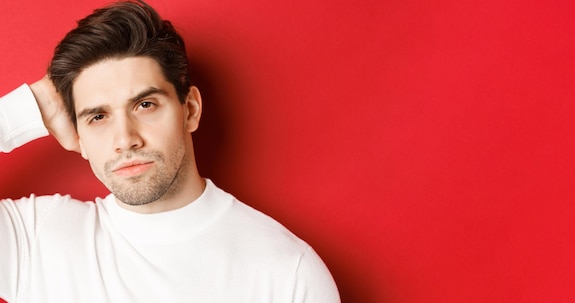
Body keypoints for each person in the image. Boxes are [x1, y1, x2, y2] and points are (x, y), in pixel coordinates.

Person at [0, 1, 340, 302]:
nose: (125, 139)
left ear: (189, 109)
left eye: (145, 105)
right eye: (98, 116)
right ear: (80, 136)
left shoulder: (286, 273)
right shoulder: (37, 239)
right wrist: (34, 105)